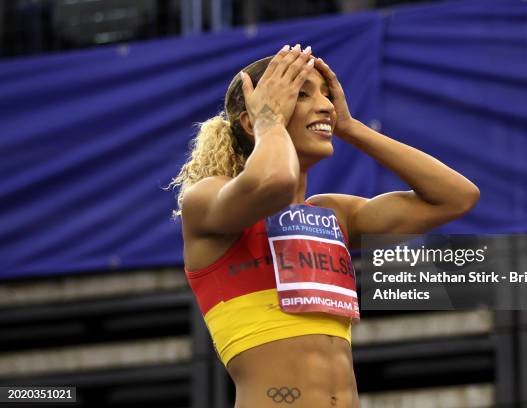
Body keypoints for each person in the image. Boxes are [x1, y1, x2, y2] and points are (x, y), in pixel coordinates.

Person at [168, 44, 480, 407]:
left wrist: (351, 128)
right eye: (301, 95)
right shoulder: (207, 200)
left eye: (327, 95)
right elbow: (273, 183)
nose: (326, 105)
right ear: (251, 122)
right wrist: (270, 121)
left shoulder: (333, 215)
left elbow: (457, 197)